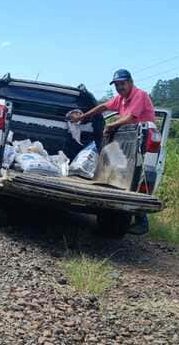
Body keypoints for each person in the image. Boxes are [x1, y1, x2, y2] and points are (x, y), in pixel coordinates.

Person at [70, 69, 155, 235]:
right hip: (130, 140)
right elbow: (103, 107)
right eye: (116, 85)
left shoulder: (139, 95)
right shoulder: (121, 99)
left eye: (122, 84)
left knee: (137, 179)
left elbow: (131, 118)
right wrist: (83, 117)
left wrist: (111, 125)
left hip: (143, 143)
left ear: (130, 82)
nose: (119, 87)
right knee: (123, 175)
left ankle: (142, 222)